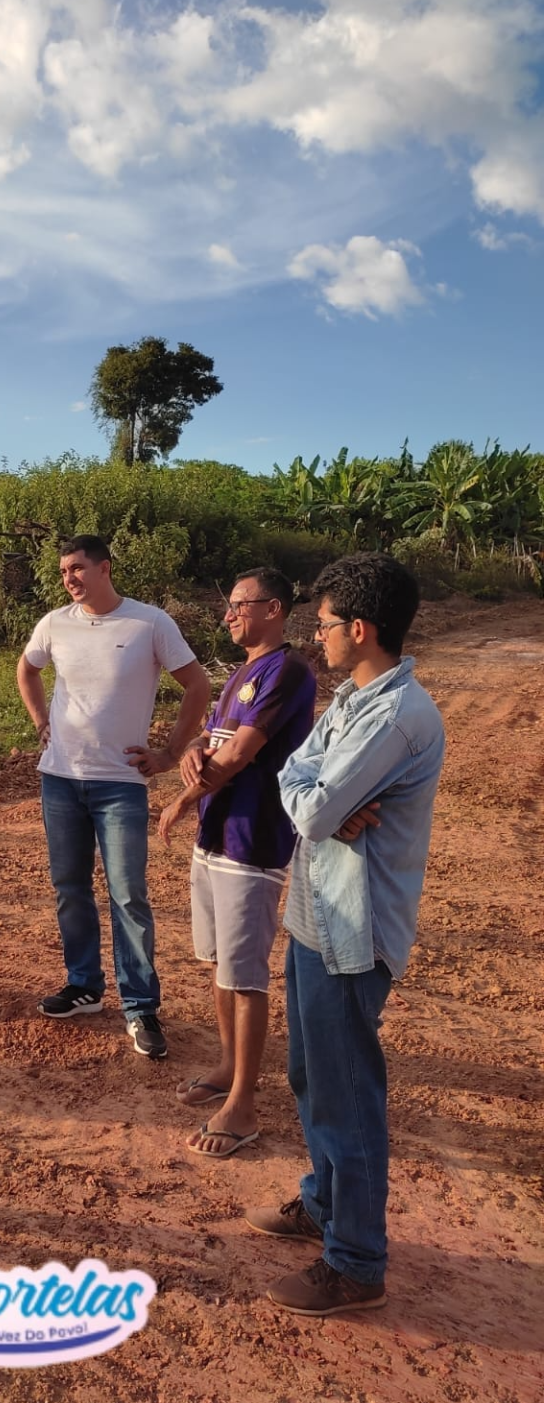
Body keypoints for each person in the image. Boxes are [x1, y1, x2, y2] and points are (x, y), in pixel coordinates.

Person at [246, 553, 445, 1316]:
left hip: (353, 933)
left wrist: (321, 800)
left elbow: (315, 810)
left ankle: (357, 1260)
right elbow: (297, 777)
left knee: (346, 1093)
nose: (316, 636)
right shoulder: (355, 699)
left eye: (324, 624)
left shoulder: (396, 715)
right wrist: (320, 796)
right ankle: (324, 1204)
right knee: (311, 1078)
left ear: (359, 629)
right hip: (317, 913)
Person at [17, 535, 211, 1058]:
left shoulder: (149, 622)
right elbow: (27, 668)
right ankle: (83, 986)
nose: (70, 579)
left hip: (119, 783)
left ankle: (141, 1006)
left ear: (104, 568)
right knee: (70, 887)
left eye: (78, 568)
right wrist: (40, 720)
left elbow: (198, 685)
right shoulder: (54, 623)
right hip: (60, 777)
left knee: (128, 894)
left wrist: (170, 752)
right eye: (63, 572)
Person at [157, 568, 316, 1157]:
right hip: (218, 833)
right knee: (222, 962)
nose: (228, 616)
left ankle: (244, 1105)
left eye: (238, 606)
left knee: (246, 975)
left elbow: (243, 753)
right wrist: (192, 754)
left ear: (273, 608)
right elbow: (212, 741)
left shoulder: (287, 670)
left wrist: (181, 796)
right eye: (229, 606)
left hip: (255, 839)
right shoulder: (243, 673)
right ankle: (228, 1067)